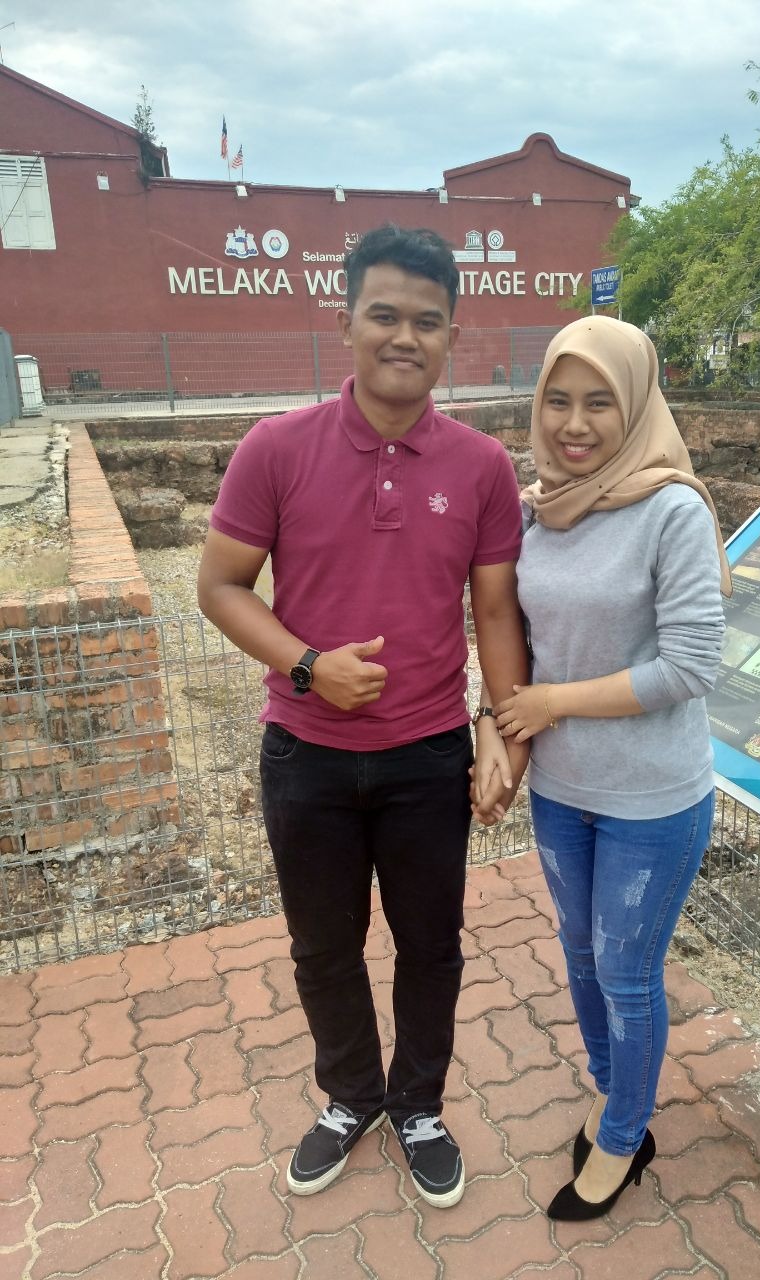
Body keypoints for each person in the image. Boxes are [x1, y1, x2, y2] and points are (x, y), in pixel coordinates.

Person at [198, 224, 529, 1210]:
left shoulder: (481, 465)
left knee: (432, 945)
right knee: (323, 948)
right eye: (383, 314)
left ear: (451, 335)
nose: (404, 337)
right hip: (305, 756)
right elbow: (220, 586)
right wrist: (307, 665)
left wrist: (501, 730)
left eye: (427, 321)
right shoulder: (276, 448)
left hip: (428, 757)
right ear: (345, 322)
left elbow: (496, 611)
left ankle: (418, 1104)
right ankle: (351, 1095)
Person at [473, 315, 731, 1221]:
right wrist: (496, 726)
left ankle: (625, 1135)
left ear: (636, 408)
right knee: (580, 957)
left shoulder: (672, 511)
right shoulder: (537, 509)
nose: (575, 424)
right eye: (558, 400)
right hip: (562, 792)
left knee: (626, 971)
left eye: (599, 403)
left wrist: (554, 705)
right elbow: (514, 639)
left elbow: (692, 666)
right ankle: (612, 1086)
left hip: (652, 800)